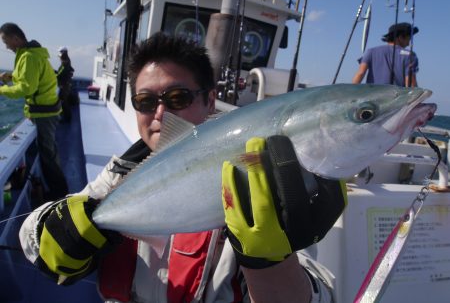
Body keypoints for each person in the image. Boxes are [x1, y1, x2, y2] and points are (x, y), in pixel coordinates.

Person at [19, 32, 346, 302]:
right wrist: (55, 231)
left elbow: (320, 294)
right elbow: (30, 235)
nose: (160, 114)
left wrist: (271, 262)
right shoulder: (120, 177)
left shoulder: (255, 180)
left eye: (177, 98)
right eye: (145, 102)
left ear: (209, 99)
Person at [0, 22, 68, 201]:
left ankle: (58, 195)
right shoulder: (30, 54)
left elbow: (26, 89)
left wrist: (1, 90)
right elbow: (27, 76)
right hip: (47, 111)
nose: (6, 46)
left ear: (16, 38)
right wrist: (11, 76)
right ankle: (58, 191)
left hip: (44, 114)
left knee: (48, 157)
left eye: (6, 41)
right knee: (50, 153)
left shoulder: (28, 56)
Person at [352, 22, 419, 87]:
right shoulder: (410, 56)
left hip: (371, 96)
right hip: (396, 97)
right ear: (400, 37)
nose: (408, 44)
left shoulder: (370, 52)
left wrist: (351, 93)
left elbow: (360, 74)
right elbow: (411, 85)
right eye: (408, 39)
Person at [56, 46, 75, 122]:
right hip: (65, 84)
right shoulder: (66, 61)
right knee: (63, 100)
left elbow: (60, 74)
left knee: (63, 101)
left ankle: (67, 118)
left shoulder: (65, 62)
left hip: (64, 85)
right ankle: (65, 116)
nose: (59, 56)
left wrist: (54, 75)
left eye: (60, 53)